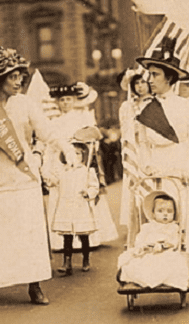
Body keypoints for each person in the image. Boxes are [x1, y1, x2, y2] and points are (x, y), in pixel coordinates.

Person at [0, 46, 72, 305]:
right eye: (13, 76)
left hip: (23, 179)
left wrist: (65, 147)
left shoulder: (25, 103)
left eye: (21, 75)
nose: (19, 80)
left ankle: (34, 285)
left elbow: (46, 131)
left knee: (28, 234)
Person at [135, 39, 189, 277]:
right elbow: (141, 142)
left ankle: (188, 268)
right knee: (156, 217)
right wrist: (145, 165)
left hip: (180, 167)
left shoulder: (187, 106)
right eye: (148, 74)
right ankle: (158, 270)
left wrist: (187, 169)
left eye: (155, 74)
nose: (149, 79)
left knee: (184, 217)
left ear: (169, 78)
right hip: (155, 168)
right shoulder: (145, 109)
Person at [44, 82, 118, 252]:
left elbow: (92, 140)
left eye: (69, 99)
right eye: (62, 100)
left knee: (81, 196)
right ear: (57, 102)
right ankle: (62, 240)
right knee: (63, 197)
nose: (65, 103)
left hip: (80, 161)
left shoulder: (81, 118)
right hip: (60, 163)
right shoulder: (53, 122)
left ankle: (88, 238)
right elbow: (50, 144)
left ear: (74, 100)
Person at [117, 192, 189, 291]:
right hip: (148, 252)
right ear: (153, 213)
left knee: (171, 264)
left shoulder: (173, 227)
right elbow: (140, 239)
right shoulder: (147, 227)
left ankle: (158, 279)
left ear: (174, 213)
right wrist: (143, 246)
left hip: (165, 253)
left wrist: (163, 246)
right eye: (160, 211)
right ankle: (142, 278)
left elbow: (174, 241)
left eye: (169, 211)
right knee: (138, 263)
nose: (165, 214)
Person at [50, 141, 100, 275]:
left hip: (80, 206)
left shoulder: (87, 170)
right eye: (72, 153)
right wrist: (50, 180)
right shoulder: (63, 171)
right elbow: (54, 182)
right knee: (67, 237)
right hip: (66, 207)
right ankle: (67, 263)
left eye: (78, 154)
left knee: (83, 236)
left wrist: (88, 193)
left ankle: (85, 259)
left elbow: (94, 187)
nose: (74, 156)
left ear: (83, 156)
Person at [118, 69, 153, 234]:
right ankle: (136, 229)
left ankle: (155, 224)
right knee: (134, 185)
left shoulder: (154, 103)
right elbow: (124, 130)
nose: (140, 87)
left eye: (142, 82)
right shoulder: (127, 106)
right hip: (135, 148)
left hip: (150, 148)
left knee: (151, 183)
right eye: (136, 83)